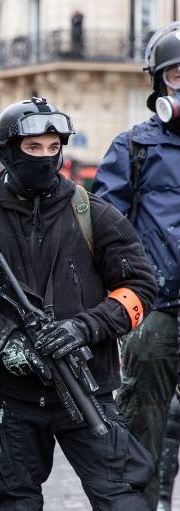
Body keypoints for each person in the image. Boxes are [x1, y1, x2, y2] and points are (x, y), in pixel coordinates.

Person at [0, 96, 158, 510]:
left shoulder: (95, 214)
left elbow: (139, 288)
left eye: (52, 147)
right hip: (13, 397)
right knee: (15, 499)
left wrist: (84, 328)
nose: (45, 157)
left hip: (89, 387)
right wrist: (3, 339)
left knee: (121, 496)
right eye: (33, 148)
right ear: (9, 152)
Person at [91, 22, 180, 508]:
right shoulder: (134, 147)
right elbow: (103, 229)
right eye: (178, 76)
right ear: (159, 84)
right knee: (142, 428)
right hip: (156, 311)